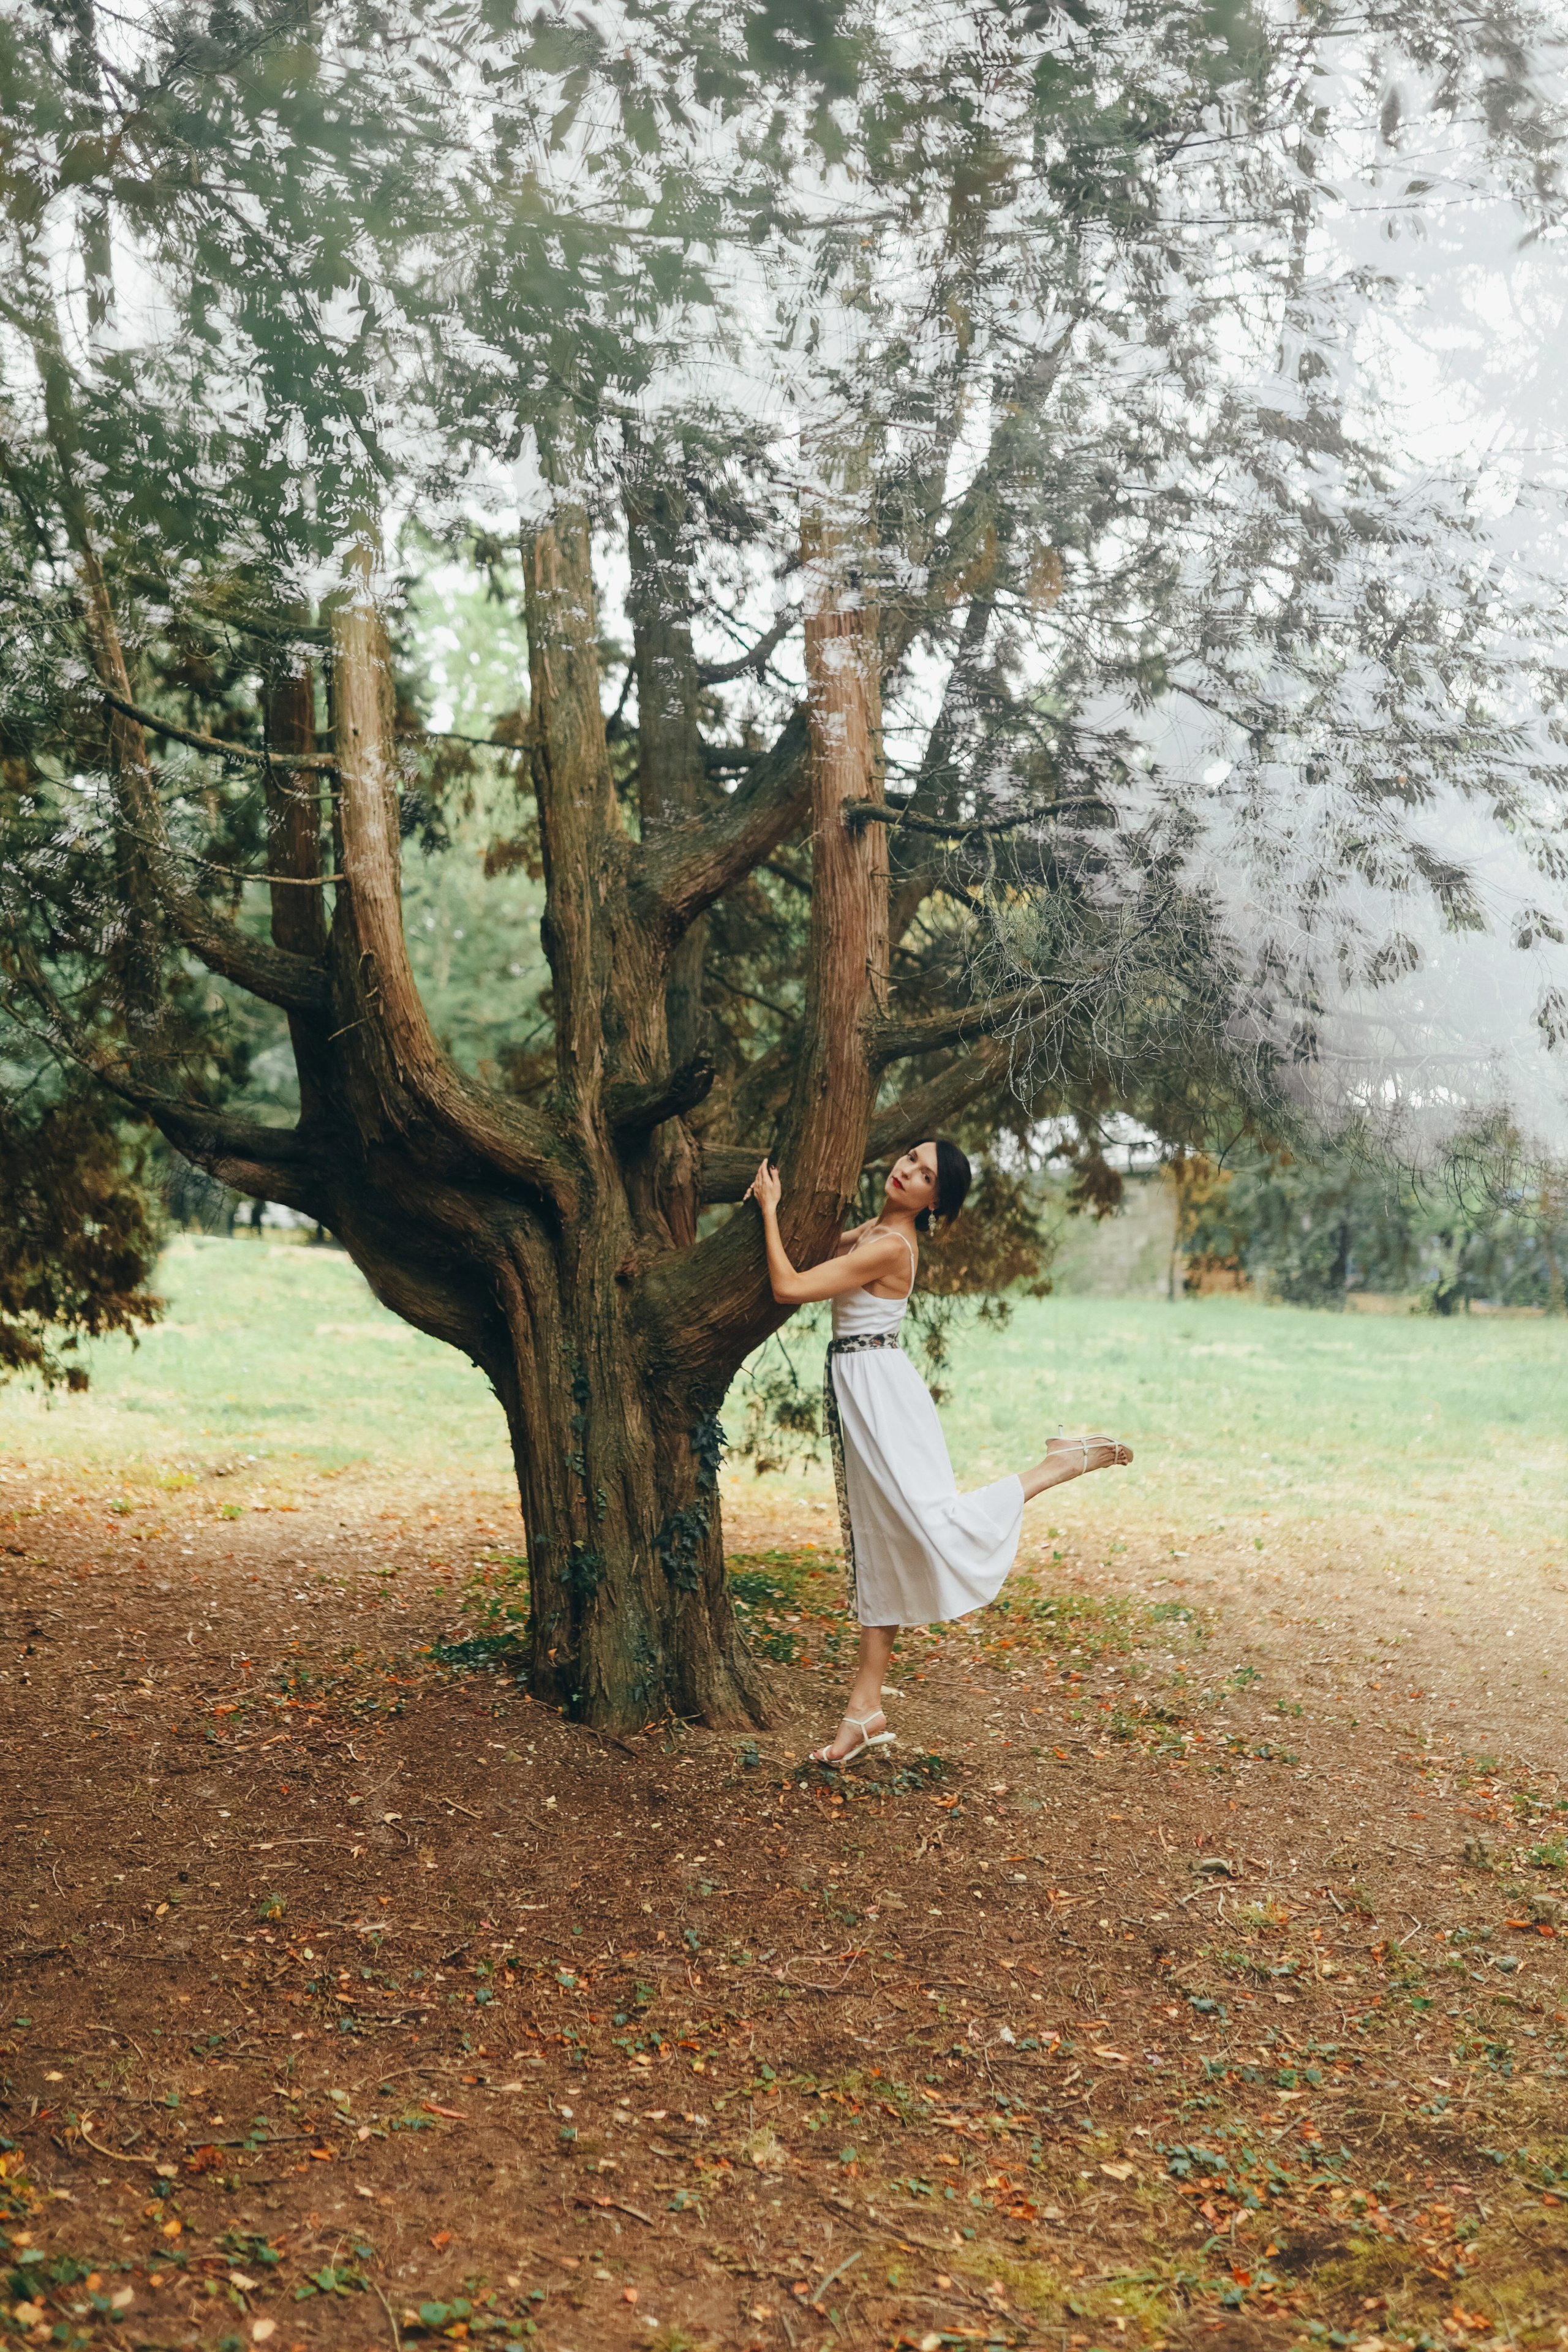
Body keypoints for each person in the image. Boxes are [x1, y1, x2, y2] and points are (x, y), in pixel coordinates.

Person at [745, 1140, 1132, 1765]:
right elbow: (816, 1255)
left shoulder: (890, 1246)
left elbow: (789, 1286)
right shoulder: (874, 1229)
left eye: (925, 1175)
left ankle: (1057, 1464)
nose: (907, 1172)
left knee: (931, 1527)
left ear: (934, 1202)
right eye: (910, 1159)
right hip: (864, 1391)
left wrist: (769, 1208)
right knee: (881, 1543)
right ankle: (864, 1710)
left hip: (884, 1399)